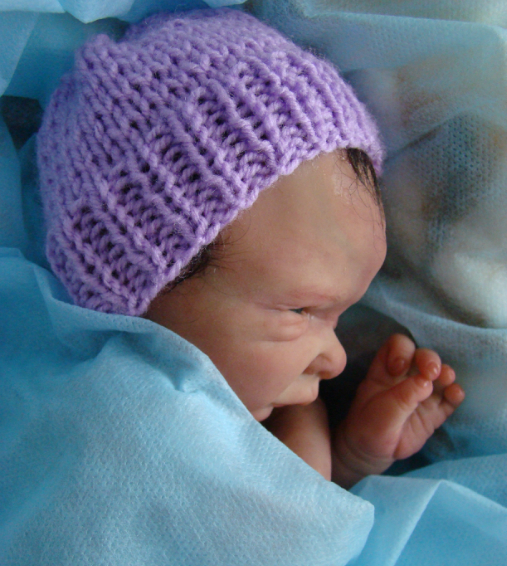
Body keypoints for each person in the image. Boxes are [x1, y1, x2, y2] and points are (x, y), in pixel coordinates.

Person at [36, 6, 464, 490]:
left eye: (338, 317)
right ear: (140, 297)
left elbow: (288, 514)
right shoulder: (100, 434)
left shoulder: (272, 409)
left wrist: (349, 456)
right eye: (300, 310)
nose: (337, 361)